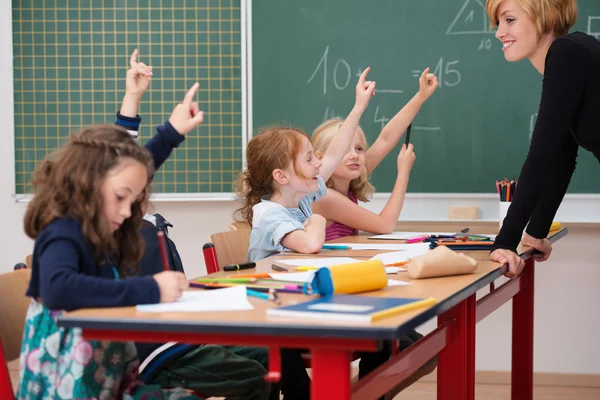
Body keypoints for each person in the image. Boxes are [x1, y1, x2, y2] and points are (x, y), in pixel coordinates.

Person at [18, 82, 203, 398]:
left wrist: (171, 133)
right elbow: (58, 288)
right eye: (121, 198)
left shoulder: (98, 221)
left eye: (132, 200)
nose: (128, 210)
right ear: (86, 183)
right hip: (66, 387)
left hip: (105, 380)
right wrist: (152, 288)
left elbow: (129, 173)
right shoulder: (62, 230)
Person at [118, 49, 278, 400]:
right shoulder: (118, 226)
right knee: (255, 372)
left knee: (269, 357)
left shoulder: (153, 226)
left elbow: (129, 161)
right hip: (156, 353)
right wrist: (136, 103)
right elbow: (121, 158)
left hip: (181, 334)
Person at [485, 0, 600, 278]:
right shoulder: (576, 50)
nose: (499, 33)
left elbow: (542, 156)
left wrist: (505, 242)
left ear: (543, 17)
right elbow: (561, 159)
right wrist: (535, 232)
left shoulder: (565, 54)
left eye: (509, 20)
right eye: (498, 23)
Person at [311, 68, 437, 239]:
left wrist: (421, 96)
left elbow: (385, 139)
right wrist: (403, 173)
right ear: (321, 158)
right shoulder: (325, 196)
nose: (354, 155)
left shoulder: (348, 176)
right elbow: (385, 225)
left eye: (359, 148)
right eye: (344, 150)